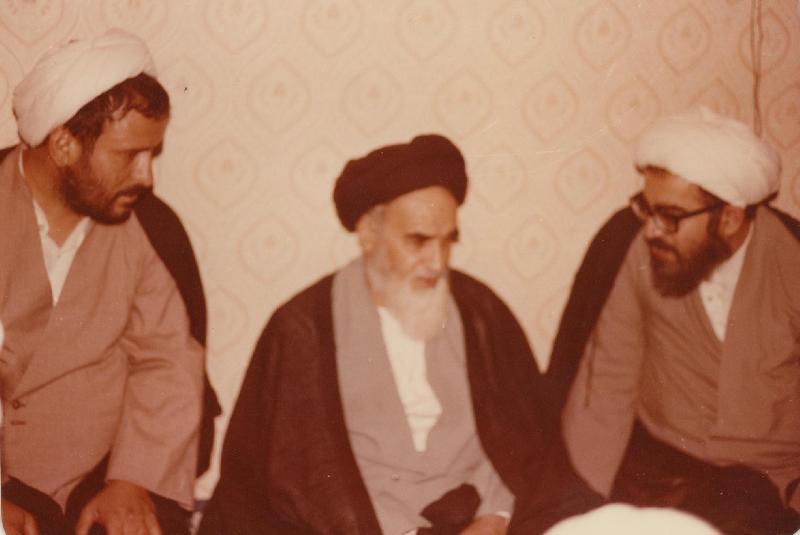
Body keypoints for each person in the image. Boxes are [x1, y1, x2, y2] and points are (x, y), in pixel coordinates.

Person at [199, 134, 599, 534]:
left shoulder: (482, 313)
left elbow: (529, 444)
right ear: (368, 234)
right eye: (418, 240)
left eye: (448, 241)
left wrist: (496, 518)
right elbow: (285, 476)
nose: (437, 262)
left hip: (484, 520)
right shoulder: (303, 328)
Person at [0, 29, 205, 535]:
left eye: (152, 154)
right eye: (129, 155)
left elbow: (167, 361)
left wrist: (132, 480)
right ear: (64, 145)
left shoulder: (150, 227)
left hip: (104, 474)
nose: (147, 177)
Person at [558, 107, 800, 534]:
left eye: (670, 216)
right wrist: (583, 507)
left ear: (729, 218)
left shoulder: (791, 261)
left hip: (768, 483)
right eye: (647, 210)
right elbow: (609, 379)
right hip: (663, 472)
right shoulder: (640, 251)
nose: (652, 230)